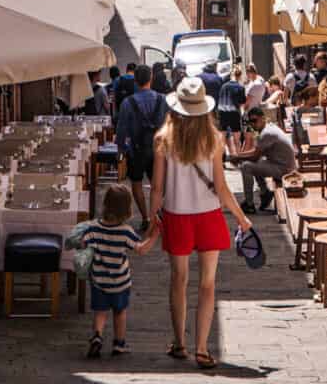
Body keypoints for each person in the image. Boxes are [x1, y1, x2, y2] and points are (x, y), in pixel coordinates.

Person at [149, 77, 251, 370]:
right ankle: (203, 349)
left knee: (178, 280)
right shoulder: (215, 139)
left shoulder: (163, 139)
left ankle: (180, 342)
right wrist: (241, 218)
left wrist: (151, 220)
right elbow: (220, 187)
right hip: (208, 215)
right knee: (208, 284)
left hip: (176, 214)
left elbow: (156, 187)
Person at [79, 185, 158, 358]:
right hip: (120, 282)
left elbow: (83, 243)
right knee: (119, 312)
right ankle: (118, 343)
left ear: (105, 205)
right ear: (128, 209)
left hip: (99, 280)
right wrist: (154, 235)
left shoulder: (93, 228)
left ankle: (97, 336)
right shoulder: (126, 232)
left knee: (100, 312)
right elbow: (141, 249)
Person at [116, 64, 168, 229]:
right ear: (151, 78)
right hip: (158, 150)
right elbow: (170, 125)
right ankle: (157, 214)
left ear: (135, 81)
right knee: (158, 185)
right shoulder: (163, 100)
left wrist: (120, 151)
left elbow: (121, 130)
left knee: (137, 184)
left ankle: (146, 218)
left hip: (136, 150)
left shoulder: (127, 103)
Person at [235, 107, 297, 214]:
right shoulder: (269, 127)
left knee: (246, 166)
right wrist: (238, 156)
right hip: (280, 164)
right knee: (253, 163)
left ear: (263, 118)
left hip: (284, 169)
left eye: (255, 121)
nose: (252, 124)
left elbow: (255, 156)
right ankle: (264, 193)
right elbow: (256, 152)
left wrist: (237, 157)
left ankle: (249, 204)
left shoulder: (267, 133)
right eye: (250, 122)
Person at [217, 65, 245, 132]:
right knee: (236, 139)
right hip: (234, 114)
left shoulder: (223, 86)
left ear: (231, 75)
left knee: (223, 137)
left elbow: (220, 100)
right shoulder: (240, 87)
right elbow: (242, 103)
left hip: (222, 113)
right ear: (240, 76)